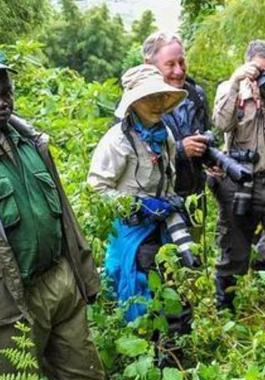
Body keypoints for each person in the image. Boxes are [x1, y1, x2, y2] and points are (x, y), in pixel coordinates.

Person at [0, 54, 105, 380]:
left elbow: (66, 217)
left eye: (5, 90)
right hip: (11, 300)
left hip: (60, 278)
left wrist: (84, 275)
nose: (2, 101)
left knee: (84, 379)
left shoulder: (30, 143)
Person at [88, 64, 193, 364]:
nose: (158, 104)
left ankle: (173, 355)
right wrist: (137, 204)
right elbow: (96, 187)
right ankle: (142, 359)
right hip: (132, 229)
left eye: (162, 97)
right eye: (150, 98)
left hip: (163, 225)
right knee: (138, 290)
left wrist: (169, 203)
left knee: (175, 286)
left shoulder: (166, 135)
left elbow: (167, 176)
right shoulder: (117, 141)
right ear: (134, 102)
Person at [211, 40, 265, 309]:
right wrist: (236, 82)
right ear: (248, 66)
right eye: (261, 71)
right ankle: (225, 308)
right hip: (240, 180)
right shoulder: (230, 90)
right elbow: (221, 124)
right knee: (233, 253)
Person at [143, 31, 211, 199]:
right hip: (157, 201)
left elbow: (206, 130)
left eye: (181, 62)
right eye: (170, 64)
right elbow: (134, 157)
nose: (179, 71)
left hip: (195, 195)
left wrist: (210, 156)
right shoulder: (138, 103)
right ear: (149, 65)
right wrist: (180, 150)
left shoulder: (196, 94)